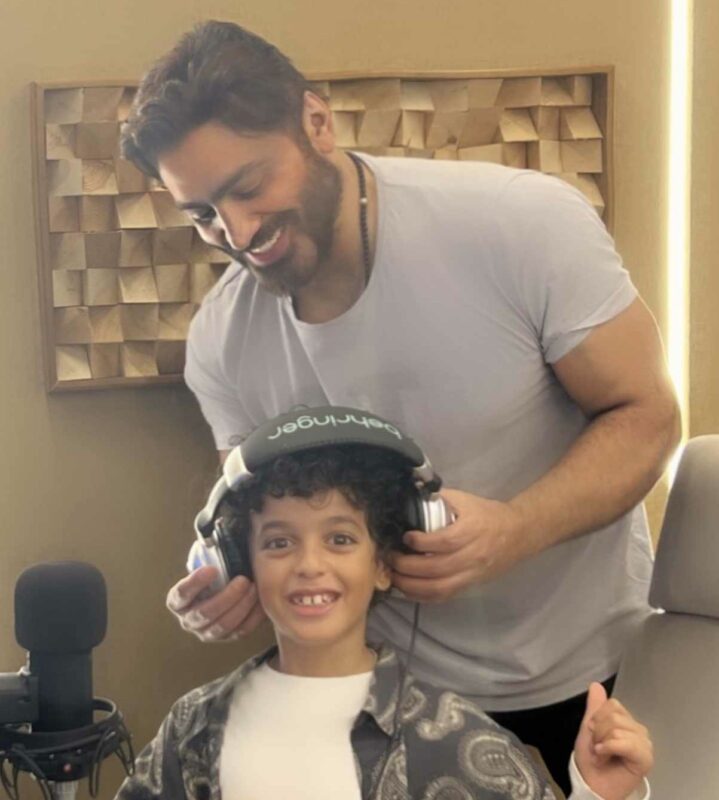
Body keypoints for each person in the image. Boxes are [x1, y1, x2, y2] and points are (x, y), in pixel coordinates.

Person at [120, 20, 679, 794]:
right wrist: (230, 575)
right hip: (385, 706)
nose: (237, 233)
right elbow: (256, 511)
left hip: (580, 677)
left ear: (316, 122)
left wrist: (516, 529)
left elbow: (647, 416)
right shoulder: (221, 340)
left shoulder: (522, 226)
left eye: (248, 188)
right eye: (203, 214)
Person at [114, 425, 653, 800]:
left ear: (382, 564)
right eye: (279, 543)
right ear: (240, 564)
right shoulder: (195, 726)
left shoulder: (456, 740)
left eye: (340, 539)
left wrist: (596, 793)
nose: (309, 565)